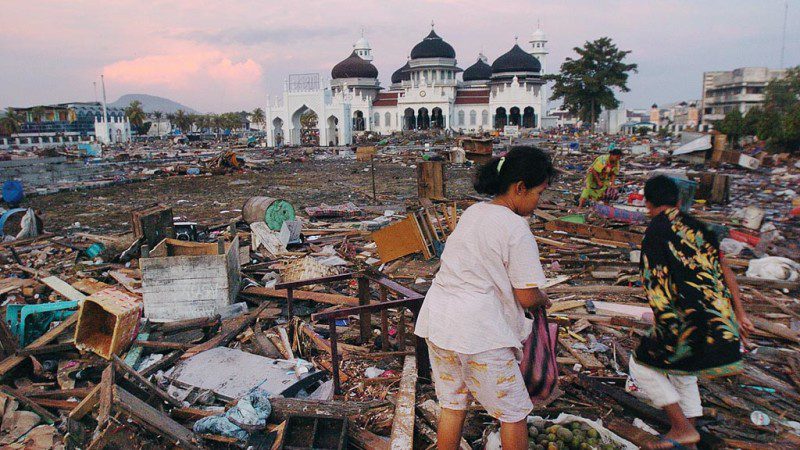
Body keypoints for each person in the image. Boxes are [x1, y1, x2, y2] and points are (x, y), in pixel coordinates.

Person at [415, 146, 555, 450]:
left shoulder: (474, 213)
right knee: (514, 413)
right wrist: (543, 298)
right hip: (480, 332)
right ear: (520, 188)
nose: (539, 201)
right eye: (539, 193)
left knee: (452, 403)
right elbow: (527, 295)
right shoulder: (515, 227)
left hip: (439, 323)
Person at [630, 175, 755, 450]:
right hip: (722, 325)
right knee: (682, 370)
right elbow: (725, 271)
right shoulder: (699, 228)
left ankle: (682, 427)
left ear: (648, 203)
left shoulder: (656, 231)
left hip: (689, 324)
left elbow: (656, 283)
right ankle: (691, 437)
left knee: (641, 365)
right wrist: (741, 314)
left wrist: (664, 321)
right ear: (677, 200)